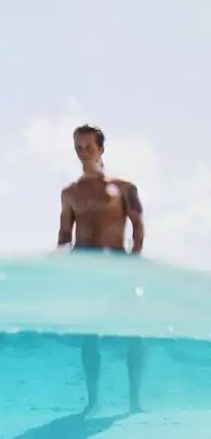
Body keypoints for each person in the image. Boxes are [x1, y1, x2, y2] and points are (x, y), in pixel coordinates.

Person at [57, 123, 146, 416]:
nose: (83, 152)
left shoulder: (125, 188)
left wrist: (134, 258)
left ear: (101, 149)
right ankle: (93, 401)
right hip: (85, 269)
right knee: (90, 334)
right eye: (78, 147)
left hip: (118, 264)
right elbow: (64, 234)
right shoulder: (69, 193)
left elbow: (138, 225)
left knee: (137, 332)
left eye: (88, 147)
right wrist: (61, 268)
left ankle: (135, 400)